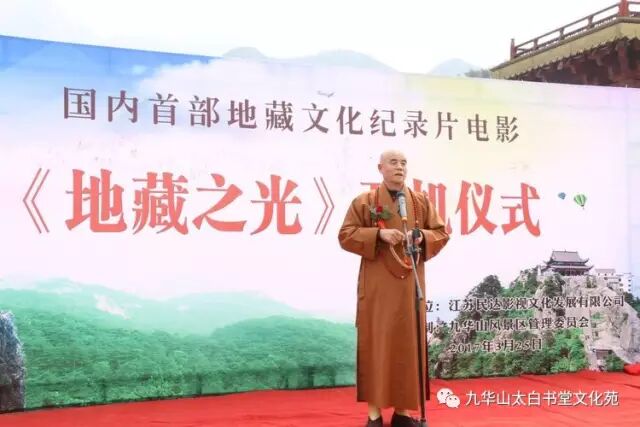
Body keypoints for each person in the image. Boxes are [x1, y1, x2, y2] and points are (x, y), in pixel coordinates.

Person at [338, 150, 450, 427]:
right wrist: (379, 234)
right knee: (377, 345)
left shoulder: (420, 202)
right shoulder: (365, 202)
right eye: (393, 162)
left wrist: (421, 236)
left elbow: (441, 233)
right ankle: (374, 416)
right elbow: (346, 235)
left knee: (406, 347)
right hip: (377, 286)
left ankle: (402, 413)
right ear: (380, 168)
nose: (400, 167)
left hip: (410, 285)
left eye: (403, 163)